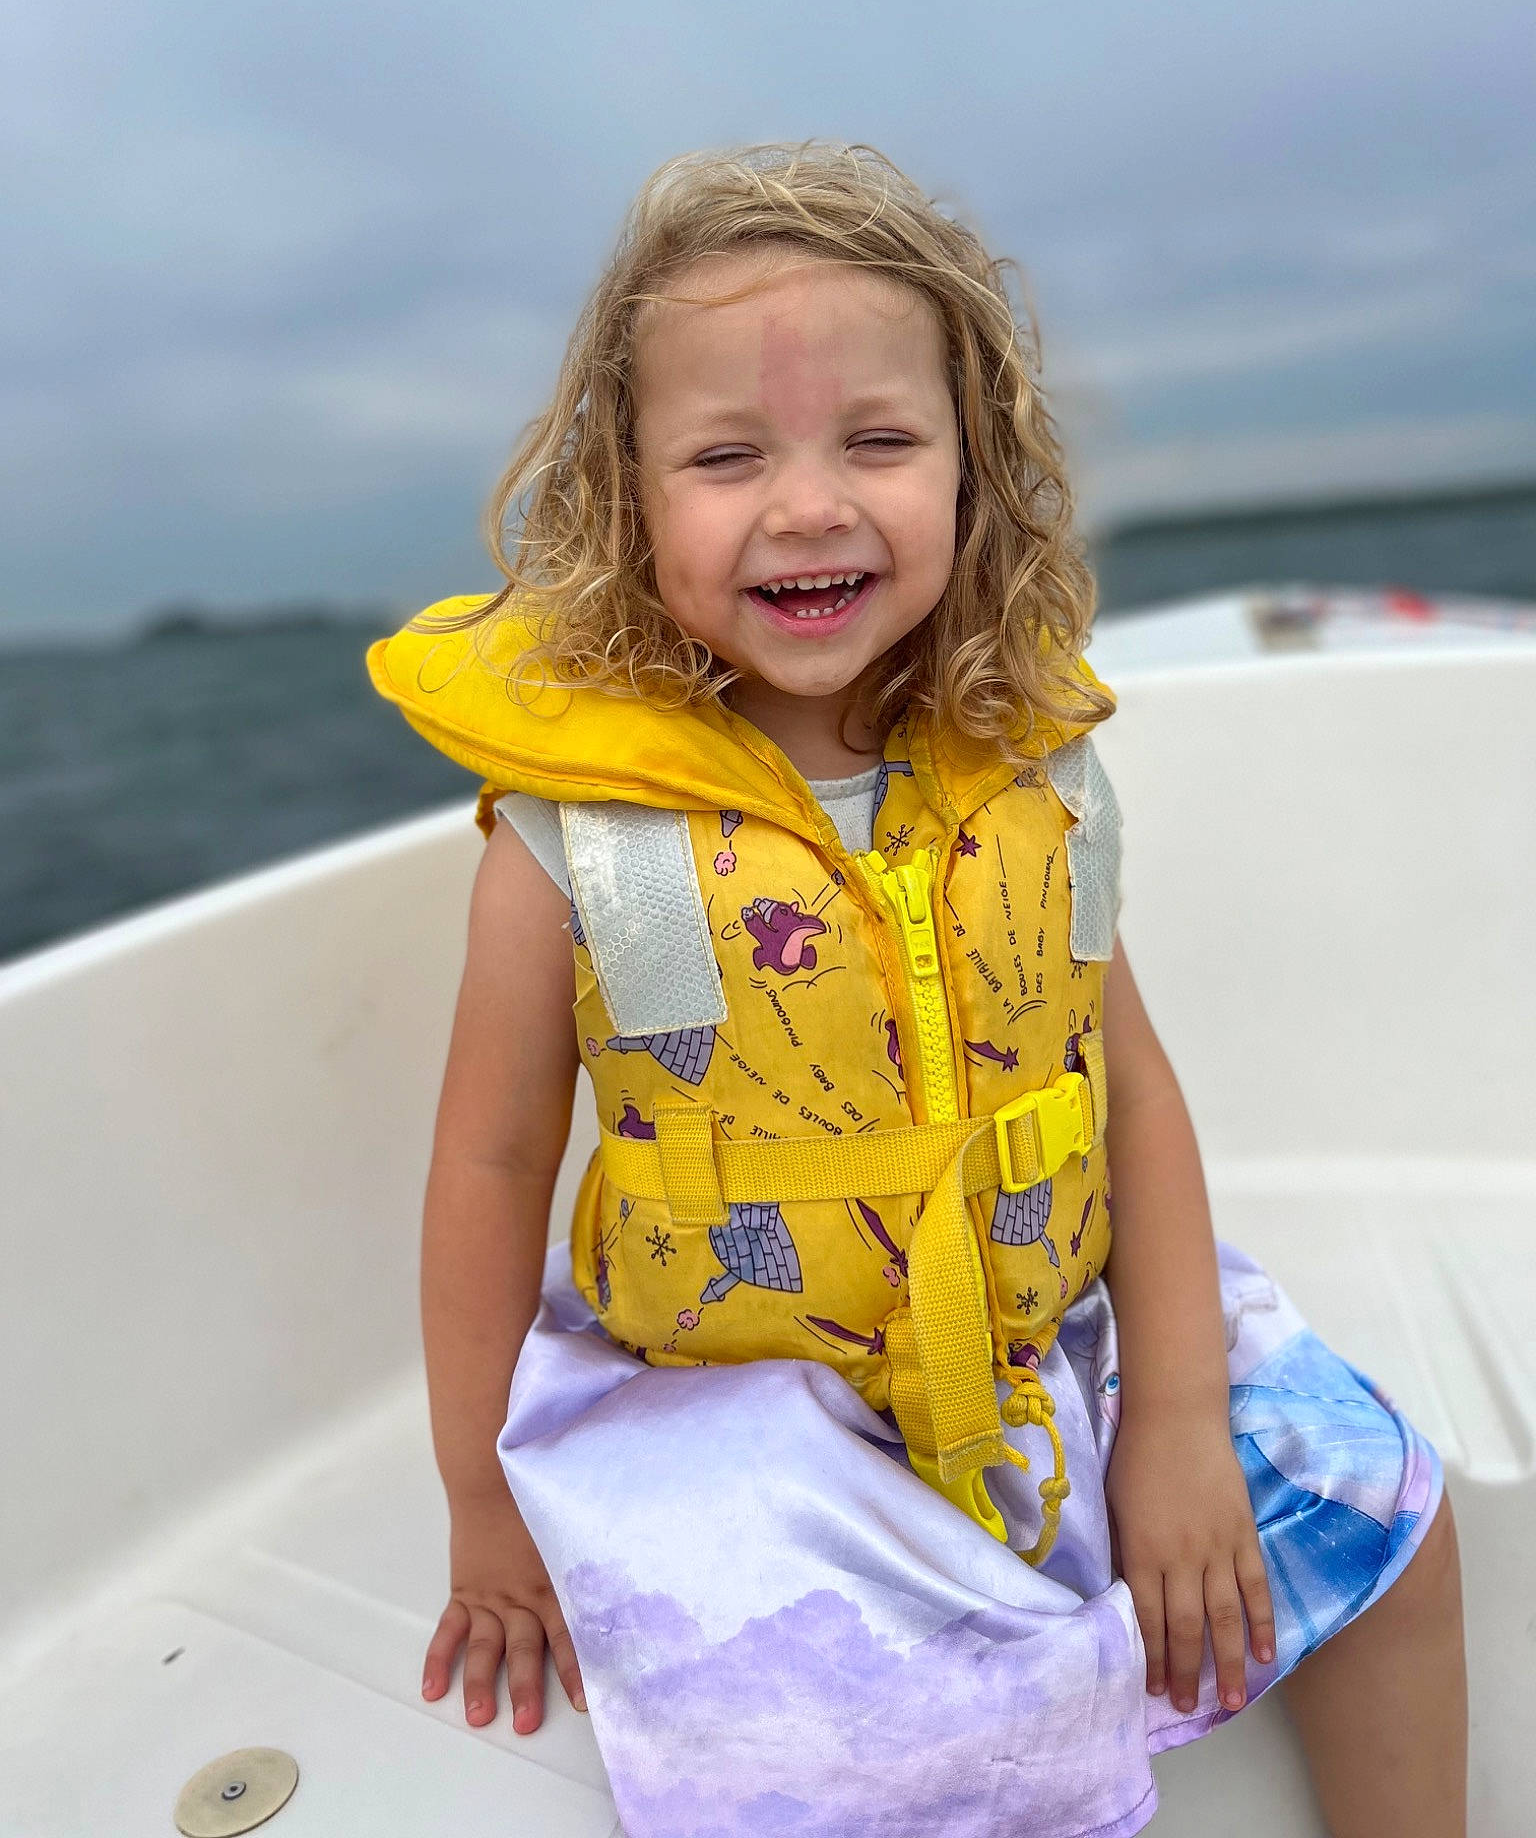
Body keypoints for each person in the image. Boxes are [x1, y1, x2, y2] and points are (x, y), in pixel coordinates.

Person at [367, 141, 1466, 1838]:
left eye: (878, 442)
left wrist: (1174, 1415)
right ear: (626, 495)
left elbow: (1126, 1090)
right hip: (748, 1408)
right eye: (728, 458)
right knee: (865, 1741)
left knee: (1387, 1496)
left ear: (974, 472)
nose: (810, 505)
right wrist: (480, 1504)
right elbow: (491, 1167)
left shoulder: (1029, 774)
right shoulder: (574, 844)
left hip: (1055, 1341)